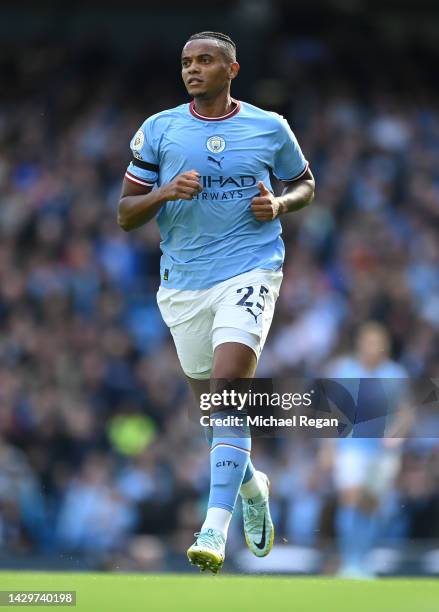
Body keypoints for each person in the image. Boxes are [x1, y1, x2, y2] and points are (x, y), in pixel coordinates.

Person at [117, 31, 314, 573]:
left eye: (205, 61)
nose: (193, 69)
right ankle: (253, 490)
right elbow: (125, 212)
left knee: (228, 394)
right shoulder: (159, 129)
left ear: (233, 70)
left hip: (251, 269)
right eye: (186, 62)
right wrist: (162, 193)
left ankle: (213, 527)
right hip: (183, 285)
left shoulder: (270, 127)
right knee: (211, 411)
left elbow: (305, 185)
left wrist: (280, 203)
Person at [325, 322, 412, 578]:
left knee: (371, 505)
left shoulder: (395, 374)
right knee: (350, 498)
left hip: (382, 452)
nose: (371, 347)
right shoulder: (345, 370)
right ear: (359, 344)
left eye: (376, 342)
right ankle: (349, 561)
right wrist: (328, 448)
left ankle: (363, 560)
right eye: (367, 341)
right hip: (351, 446)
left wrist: (397, 434)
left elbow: (405, 412)